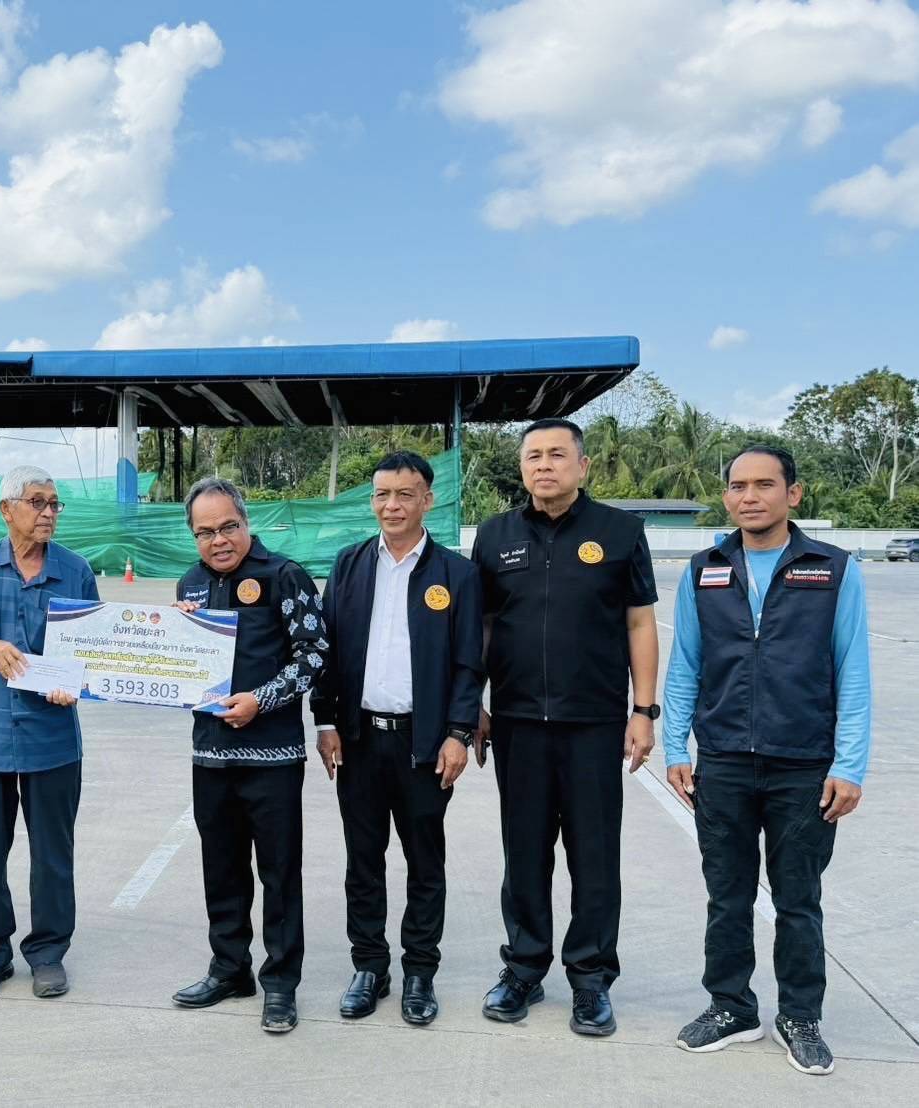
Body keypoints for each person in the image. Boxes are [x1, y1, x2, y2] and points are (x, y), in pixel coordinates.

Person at [664, 445, 870, 1076]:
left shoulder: (832, 569)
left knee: (798, 899)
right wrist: (675, 748)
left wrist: (849, 765)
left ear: (793, 494)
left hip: (803, 764)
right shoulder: (704, 569)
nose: (749, 497)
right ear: (726, 496)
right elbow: (685, 665)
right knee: (726, 896)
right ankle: (731, 1007)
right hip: (723, 760)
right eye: (737, 486)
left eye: (763, 485)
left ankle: (800, 1016)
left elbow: (852, 671)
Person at [471, 417, 659, 1037]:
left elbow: (639, 622)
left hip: (595, 724)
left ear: (583, 465)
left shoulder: (621, 532)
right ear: (522, 468)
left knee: (594, 856)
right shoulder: (495, 536)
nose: (544, 465)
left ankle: (591, 978)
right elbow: (484, 626)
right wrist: (474, 702)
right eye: (533, 456)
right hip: (518, 723)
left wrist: (643, 711)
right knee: (524, 854)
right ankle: (523, 968)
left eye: (557, 454)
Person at [311, 452, 484, 1027]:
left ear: (427, 500)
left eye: (405, 494)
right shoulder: (349, 564)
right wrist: (326, 722)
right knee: (363, 861)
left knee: (424, 863)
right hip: (359, 739)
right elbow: (327, 650)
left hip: (425, 746)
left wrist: (458, 733)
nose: (392, 505)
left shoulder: (456, 574)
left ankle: (419, 972)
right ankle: (369, 967)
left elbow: (469, 664)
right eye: (382, 494)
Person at [171, 477, 328, 1034]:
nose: (218, 540)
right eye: (205, 532)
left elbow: (315, 655)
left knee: (279, 873)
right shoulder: (190, 584)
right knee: (222, 868)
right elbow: (179, 664)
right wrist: (167, 641)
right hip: (210, 756)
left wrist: (261, 699)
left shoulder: (284, 575)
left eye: (228, 527)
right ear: (193, 536)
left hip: (272, 758)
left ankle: (280, 983)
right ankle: (229, 968)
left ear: (246, 522)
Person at [0, 465, 99, 1001]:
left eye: (55, 503)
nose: (49, 513)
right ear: (6, 509)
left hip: (52, 736)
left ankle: (48, 953)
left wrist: (74, 682)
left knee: (52, 852)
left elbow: (93, 647)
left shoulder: (75, 571)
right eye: (37, 502)